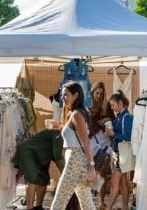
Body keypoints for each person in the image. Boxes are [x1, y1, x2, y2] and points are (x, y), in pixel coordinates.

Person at [51, 81, 97, 210]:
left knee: (58, 203)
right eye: (62, 95)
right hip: (78, 161)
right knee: (87, 203)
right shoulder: (77, 113)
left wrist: (92, 167)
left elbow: (86, 141)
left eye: (66, 95)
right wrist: (60, 126)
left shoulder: (77, 114)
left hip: (75, 161)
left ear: (76, 95)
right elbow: (77, 136)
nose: (62, 98)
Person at [12, 129, 66, 210]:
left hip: (41, 156)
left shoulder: (67, 137)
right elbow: (57, 155)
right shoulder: (59, 134)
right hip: (29, 151)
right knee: (33, 179)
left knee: (44, 180)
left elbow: (58, 157)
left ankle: (38, 207)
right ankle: (29, 208)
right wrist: (65, 173)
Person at [105, 91, 133, 210]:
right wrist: (110, 134)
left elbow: (128, 136)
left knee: (114, 182)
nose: (111, 108)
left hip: (123, 153)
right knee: (122, 184)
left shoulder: (127, 117)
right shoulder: (120, 116)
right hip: (119, 153)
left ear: (120, 103)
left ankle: (108, 208)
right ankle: (125, 207)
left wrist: (113, 133)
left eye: (113, 105)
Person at [89, 82, 114, 208]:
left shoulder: (107, 106)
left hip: (105, 142)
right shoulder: (87, 106)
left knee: (103, 173)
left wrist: (108, 120)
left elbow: (114, 120)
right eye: (97, 93)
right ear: (92, 92)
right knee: (89, 172)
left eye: (101, 93)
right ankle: (87, 200)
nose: (99, 96)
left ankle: (101, 202)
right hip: (91, 143)